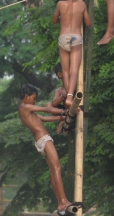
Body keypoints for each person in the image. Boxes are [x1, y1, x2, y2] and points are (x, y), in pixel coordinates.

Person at [18, 84, 82, 215]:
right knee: (57, 167)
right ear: (26, 96)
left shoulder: (28, 112)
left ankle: (60, 204)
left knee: (54, 169)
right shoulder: (24, 107)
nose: (35, 101)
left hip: (40, 141)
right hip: (44, 139)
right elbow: (46, 110)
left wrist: (61, 118)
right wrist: (66, 111)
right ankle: (64, 201)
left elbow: (45, 118)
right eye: (34, 98)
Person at [53, 0, 92, 108]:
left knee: (66, 70)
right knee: (74, 70)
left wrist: (63, 19)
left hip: (63, 37)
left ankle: (68, 97)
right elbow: (88, 23)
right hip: (76, 37)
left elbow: (54, 20)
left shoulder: (60, 4)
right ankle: (70, 97)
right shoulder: (81, 5)